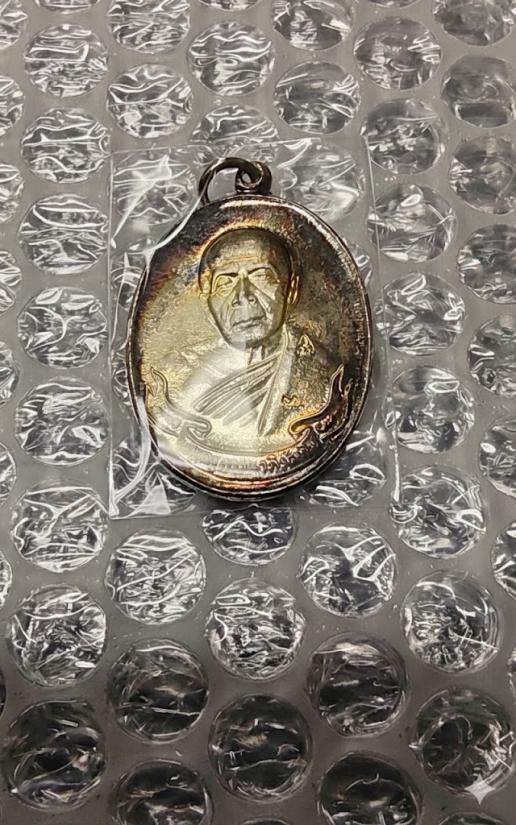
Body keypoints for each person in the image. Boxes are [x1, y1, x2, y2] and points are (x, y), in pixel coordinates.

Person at [148, 227, 342, 459]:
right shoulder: (173, 375)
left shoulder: (327, 376)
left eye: (261, 276)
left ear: (291, 290)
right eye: (225, 283)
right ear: (207, 300)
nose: (243, 296)